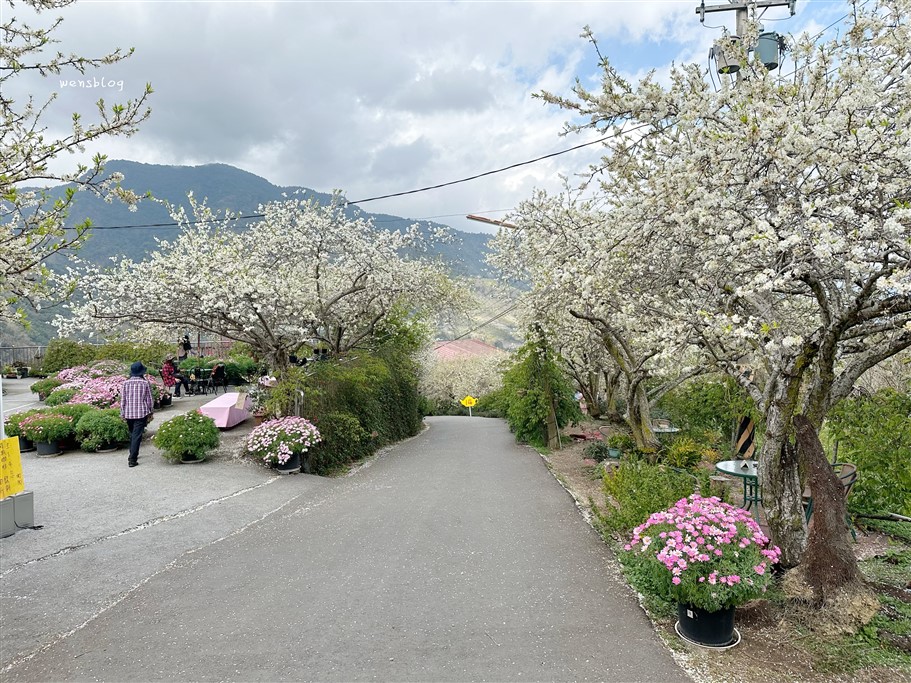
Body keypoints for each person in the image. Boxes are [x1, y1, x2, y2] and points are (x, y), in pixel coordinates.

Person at [120, 361, 154, 468]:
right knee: (137, 435)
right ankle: (132, 459)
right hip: (141, 413)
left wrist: (122, 413)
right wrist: (150, 411)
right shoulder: (145, 383)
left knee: (132, 434)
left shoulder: (125, 383)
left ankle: (132, 452)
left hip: (129, 413)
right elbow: (149, 399)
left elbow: (123, 400)